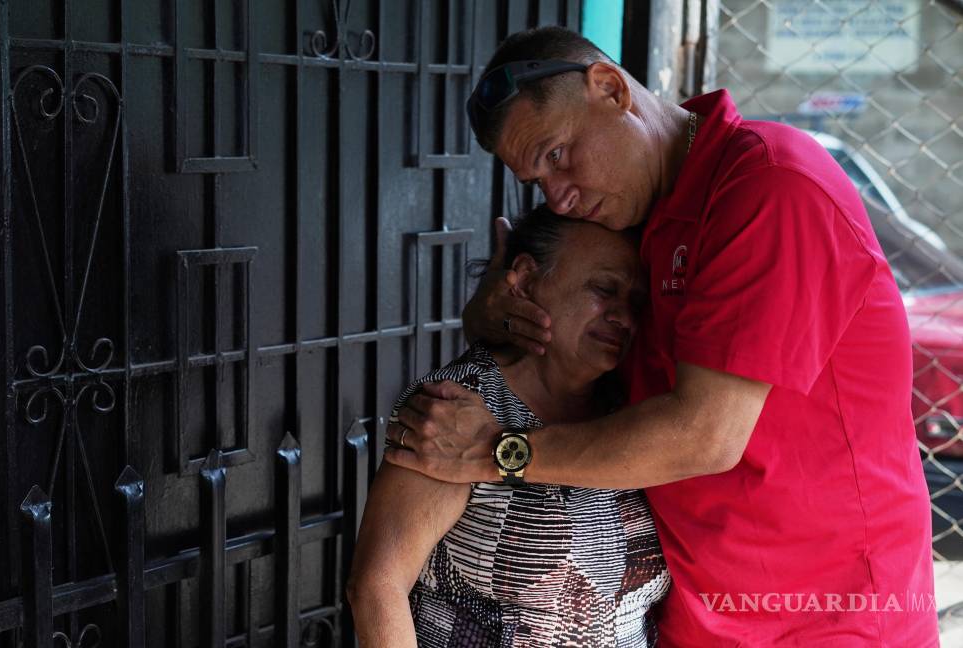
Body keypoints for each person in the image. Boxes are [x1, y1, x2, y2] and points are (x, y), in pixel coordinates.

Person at [383, 26, 939, 646]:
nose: (559, 198)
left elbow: (705, 435)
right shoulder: (639, 219)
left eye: (559, 156)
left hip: (828, 616)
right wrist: (498, 312)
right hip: (694, 612)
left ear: (610, 88)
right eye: (538, 183)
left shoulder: (770, 186)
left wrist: (496, 450)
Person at [347, 207, 670, 647]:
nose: (624, 318)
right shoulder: (455, 408)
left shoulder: (634, 408)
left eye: (635, 303)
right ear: (526, 278)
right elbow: (376, 588)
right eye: (603, 289)